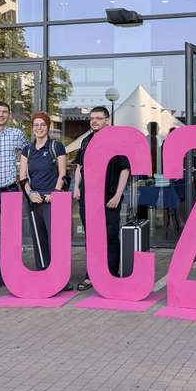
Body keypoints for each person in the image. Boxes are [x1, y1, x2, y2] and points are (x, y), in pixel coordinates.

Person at [73, 106, 131, 291]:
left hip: (108, 199)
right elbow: (79, 167)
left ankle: (111, 276)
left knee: (111, 237)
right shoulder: (86, 141)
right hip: (88, 199)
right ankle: (92, 275)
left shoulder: (117, 140)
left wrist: (118, 195)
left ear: (107, 120)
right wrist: (76, 187)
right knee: (91, 238)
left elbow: (125, 169)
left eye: (98, 118)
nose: (94, 121)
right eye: (92, 118)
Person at [19, 111, 72, 289]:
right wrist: (30, 193)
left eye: (42, 124)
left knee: (55, 239)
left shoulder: (56, 147)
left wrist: (55, 193)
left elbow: (63, 174)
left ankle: (60, 278)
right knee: (38, 238)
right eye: (36, 125)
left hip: (52, 199)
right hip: (34, 200)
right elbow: (22, 177)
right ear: (32, 128)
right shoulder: (27, 149)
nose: (39, 128)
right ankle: (44, 273)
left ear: (48, 127)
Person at [0, 101, 28, 278]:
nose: (1, 115)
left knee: (11, 234)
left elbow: (28, 155)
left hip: (10, 191)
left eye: (4, 112)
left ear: (9, 116)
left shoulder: (17, 134)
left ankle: (9, 272)